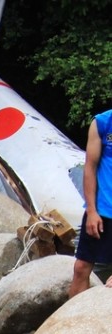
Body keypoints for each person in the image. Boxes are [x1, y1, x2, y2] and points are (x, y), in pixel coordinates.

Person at [70, 109, 112, 298]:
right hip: (102, 210)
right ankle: (68, 323)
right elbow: (90, 166)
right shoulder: (102, 122)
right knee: (81, 268)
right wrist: (92, 211)